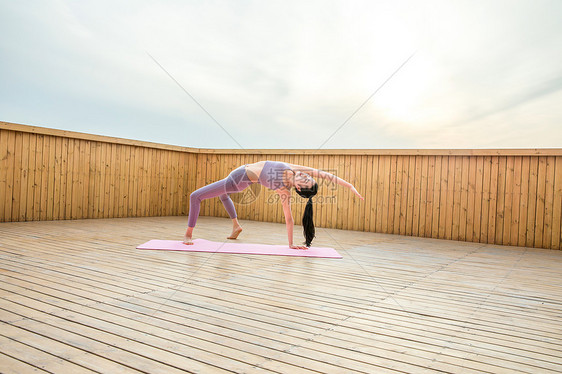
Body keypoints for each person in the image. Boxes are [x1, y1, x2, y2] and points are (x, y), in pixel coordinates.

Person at [183, 160, 364, 249]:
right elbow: (325, 174)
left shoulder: (284, 190)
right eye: (308, 177)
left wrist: (291, 244)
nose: (306, 176)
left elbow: (289, 219)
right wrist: (349, 186)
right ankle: (236, 226)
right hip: (241, 175)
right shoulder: (294, 169)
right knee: (223, 196)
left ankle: (188, 235)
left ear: (299, 188)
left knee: (195, 196)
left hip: (236, 180)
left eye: (306, 180)